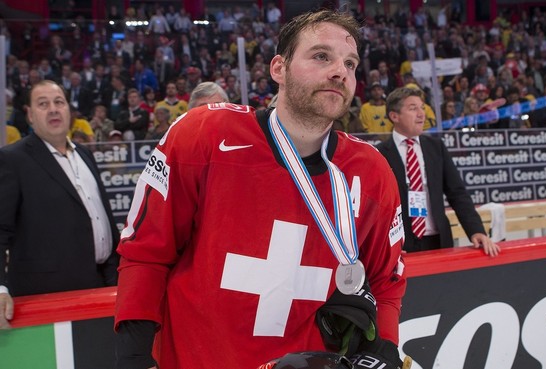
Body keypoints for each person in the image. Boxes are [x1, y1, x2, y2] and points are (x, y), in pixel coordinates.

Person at [114, 10, 406, 369]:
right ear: (278, 69)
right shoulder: (202, 135)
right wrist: (132, 357)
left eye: (350, 63)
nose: (339, 71)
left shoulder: (372, 172)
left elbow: (386, 282)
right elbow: (146, 253)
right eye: (321, 56)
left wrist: (386, 349)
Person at [0, 80, 120, 329]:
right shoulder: (12, 160)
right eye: (43, 104)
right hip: (46, 299)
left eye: (59, 102)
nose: (53, 109)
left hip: (101, 288)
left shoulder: (85, 155)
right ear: (30, 115)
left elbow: (102, 220)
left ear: (69, 111)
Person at [376, 87, 500, 256]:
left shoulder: (436, 147)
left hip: (439, 241)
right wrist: (385, 245)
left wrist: (476, 230)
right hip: (401, 246)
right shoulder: (380, 154)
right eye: (413, 108)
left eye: (422, 107)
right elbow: (376, 207)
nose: (421, 114)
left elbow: (457, 193)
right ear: (394, 116)